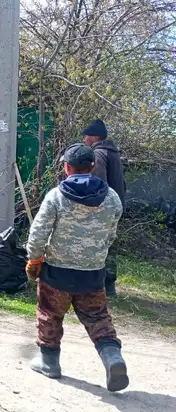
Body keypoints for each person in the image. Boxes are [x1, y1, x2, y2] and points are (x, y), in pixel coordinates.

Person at [25, 143, 127, 392]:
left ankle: (49, 363)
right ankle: (113, 358)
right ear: (92, 167)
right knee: (98, 318)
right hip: (92, 273)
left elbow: (38, 233)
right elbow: (111, 234)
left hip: (57, 272)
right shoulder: (112, 197)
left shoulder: (56, 196)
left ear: (67, 168)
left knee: (50, 314)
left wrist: (34, 259)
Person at [82, 119, 126, 297]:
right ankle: (110, 286)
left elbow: (98, 184)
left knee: (98, 246)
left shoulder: (98, 155)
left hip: (102, 208)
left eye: (86, 136)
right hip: (115, 207)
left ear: (94, 137)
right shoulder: (113, 153)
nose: (84, 140)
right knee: (110, 246)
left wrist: (92, 208)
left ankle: (97, 285)